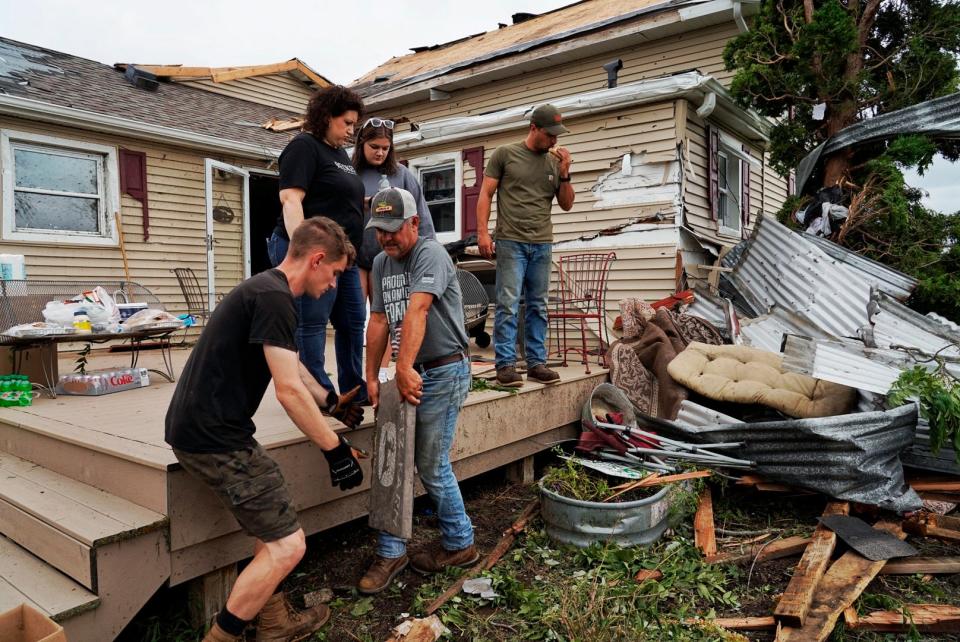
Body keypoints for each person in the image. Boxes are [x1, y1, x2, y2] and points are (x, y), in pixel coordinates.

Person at [166, 217, 364, 642]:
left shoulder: (265, 289)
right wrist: (336, 450)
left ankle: (273, 622)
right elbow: (288, 391)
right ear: (316, 259)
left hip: (204, 428)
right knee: (289, 545)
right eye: (334, 274)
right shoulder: (275, 299)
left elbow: (296, 372)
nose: (332, 286)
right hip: (214, 439)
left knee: (274, 521)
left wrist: (331, 403)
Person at [358, 187, 476, 595]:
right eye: (380, 231)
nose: (386, 238)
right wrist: (372, 375)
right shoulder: (378, 263)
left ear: (413, 223)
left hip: (443, 371)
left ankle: (460, 543)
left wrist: (402, 367)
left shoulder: (431, 254)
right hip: (406, 371)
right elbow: (378, 321)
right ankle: (392, 551)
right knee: (394, 459)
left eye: (393, 230)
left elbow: (417, 309)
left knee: (430, 463)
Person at [269, 85, 367, 423]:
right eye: (347, 123)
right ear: (326, 117)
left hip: (344, 257)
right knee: (311, 323)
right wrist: (303, 252)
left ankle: (354, 388)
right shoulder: (303, 147)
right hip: (313, 254)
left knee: (353, 321)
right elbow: (291, 199)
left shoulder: (340, 156)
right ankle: (321, 395)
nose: (351, 131)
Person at [476, 103, 575, 387]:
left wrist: (565, 171)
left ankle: (536, 364)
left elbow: (567, 204)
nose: (555, 140)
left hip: (542, 243)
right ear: (534, 128)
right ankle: (505, 365)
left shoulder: (554, 163)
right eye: (550, 134)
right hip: (511, 241)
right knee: (508, 304)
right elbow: (485, 194)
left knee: (538, 306)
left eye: (558, 135)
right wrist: (483, 233)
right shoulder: (505, 154)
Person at [352, 117, 437, 381]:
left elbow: (421, 217)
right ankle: (358, 377)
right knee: (356, 317)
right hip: (356, 257)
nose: (379, 152)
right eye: (374, 146)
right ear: (361, 144)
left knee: (390, 316)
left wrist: (430, 252)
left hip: (389, 259)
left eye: (385, 148)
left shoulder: (402, 174)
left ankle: (385, 374)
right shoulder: (349, 173)